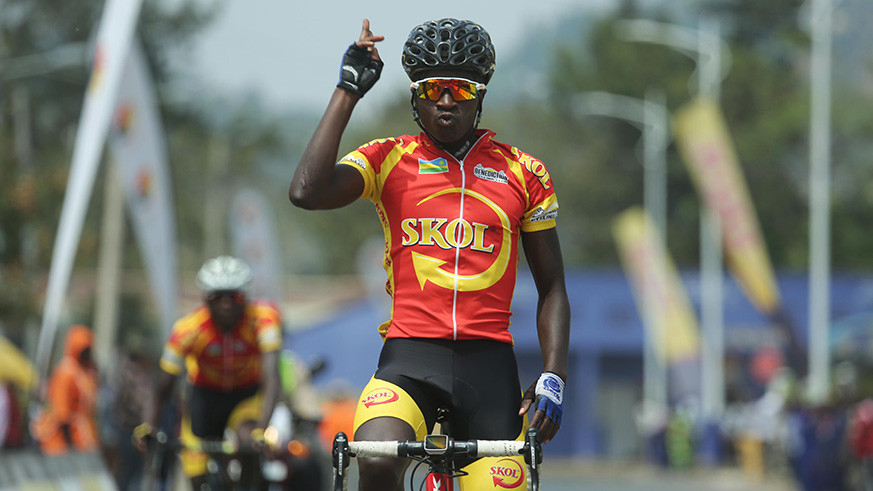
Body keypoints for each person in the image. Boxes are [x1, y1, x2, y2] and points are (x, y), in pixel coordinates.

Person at [288, 17, 570, 490]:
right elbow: (305, 191)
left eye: (459, 90)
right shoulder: (388, 158)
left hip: (490, 368)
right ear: (415, 96)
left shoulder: (525, 172)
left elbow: (553, 288)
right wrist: (348, 91)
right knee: (376, 459)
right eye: (432, 88)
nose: (444, 100)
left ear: (480, 95)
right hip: (409, 358)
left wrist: (553, 378)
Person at [135, 256, 283, 489]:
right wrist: (148, 425)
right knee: (197, 475)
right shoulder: (187, 329)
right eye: (216, 297)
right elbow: (162, 386)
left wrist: (262, 429)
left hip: (245, 395)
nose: (226, 304)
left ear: (246, 296)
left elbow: (272, 377)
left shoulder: (264, 319)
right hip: (204, 397)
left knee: (249, 442)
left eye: (234, 296)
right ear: (205, 298)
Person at [30, 324, 100, 455]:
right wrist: (70, 446)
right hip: (62, 442)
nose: (87, 353)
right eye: (84, 349)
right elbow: (62, 415)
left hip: (83, 439)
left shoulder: (85, 372)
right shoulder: (66, 372)